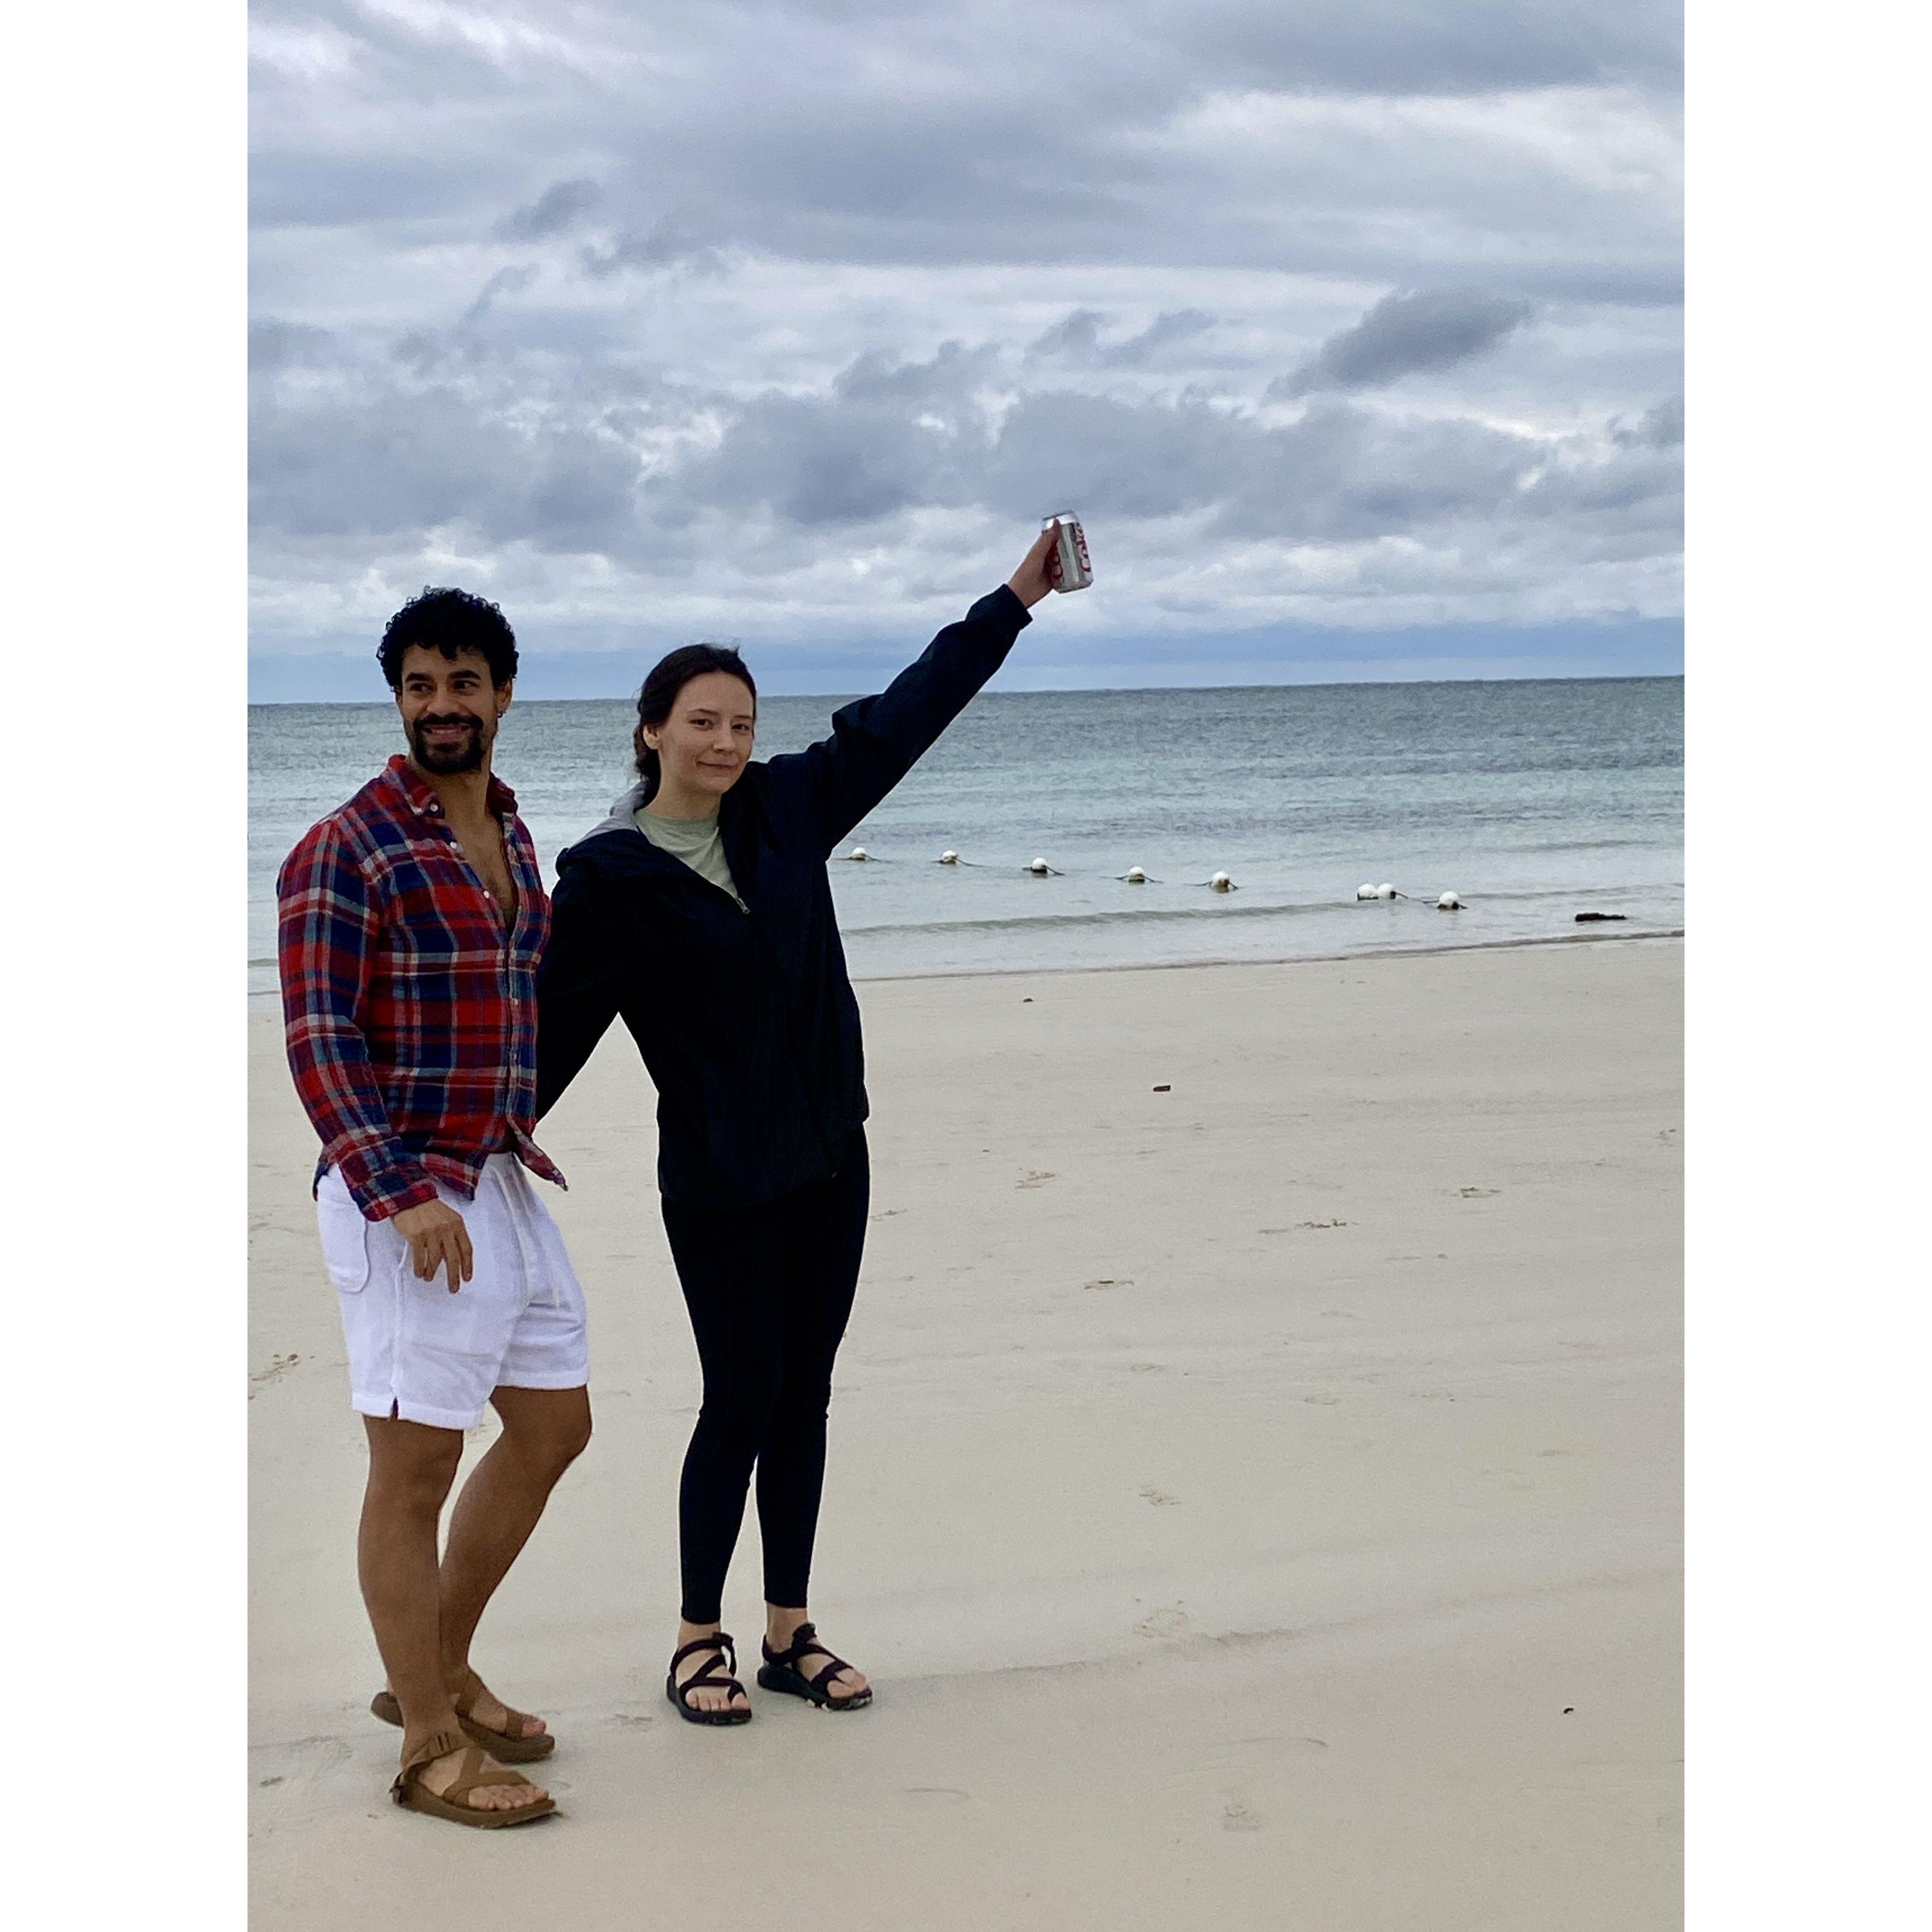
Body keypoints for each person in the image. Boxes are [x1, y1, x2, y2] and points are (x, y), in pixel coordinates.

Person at [535, 526, 1064, 1722]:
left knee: (804, 1395)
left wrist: (1014, 598)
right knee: (740, 1396)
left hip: (830, 1157)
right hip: (720, 1178)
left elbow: (906, 715)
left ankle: (788, 1630)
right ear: (650, 730)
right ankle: (696, 1636)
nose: (726, 742)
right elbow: (554, 1025)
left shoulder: (786, 807)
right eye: (702, 721)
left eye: (741, 722)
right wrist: (474, 1134)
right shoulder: (608, 876)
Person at [276, 588, 591, 1827]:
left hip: (498, 1175)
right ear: (398, 698)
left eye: (464, 683)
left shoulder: (510, 831)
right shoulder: (344, 846)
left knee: (554, 1426)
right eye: (420, 685)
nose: (442, 705)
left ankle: (439, 1664)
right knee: (414, 1468)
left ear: (503, 693)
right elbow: (318, 1037)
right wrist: (398, 1190)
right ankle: (424, 1741)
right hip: (402, 1195)